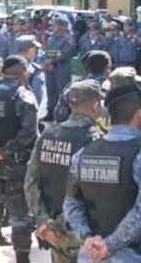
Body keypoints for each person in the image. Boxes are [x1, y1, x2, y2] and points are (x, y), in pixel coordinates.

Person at [25, 79, 104, 263]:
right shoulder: (95, 139)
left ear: (70, 104)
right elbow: (91, 190)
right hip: (82, 232)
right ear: (95, 106)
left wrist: (44, 220)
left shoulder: (48, 135)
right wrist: (58, 224)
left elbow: (30, 182)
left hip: (53, 233)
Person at [63, 83, 141, 263]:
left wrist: (88, 238)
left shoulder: (83, 154)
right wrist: (109, 245)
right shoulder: (137, 153)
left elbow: (71, 203)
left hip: (90, 255)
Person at [0, 56, 38, 263]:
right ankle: (22, 256)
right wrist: (5, 151)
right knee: (19, 212)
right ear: (23, 73)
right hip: (16, 164)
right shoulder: (24, 96)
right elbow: (29, 132)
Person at [53, 51, 111, 124]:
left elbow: (58, 114)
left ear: (87, 68)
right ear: (107, 68)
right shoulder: (113, 86)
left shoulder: (73, 86)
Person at [44, 18, 76, 121]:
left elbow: (67, 55)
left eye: (55, 25)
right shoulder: (50, 39)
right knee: (50, 90)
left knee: (61, 91)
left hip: (62, 67)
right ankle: (50, 112)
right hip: (50, 68)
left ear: (62, 27)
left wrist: (52, 61)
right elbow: (47, 52)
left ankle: (63, 113)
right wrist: (47, 62)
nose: (52, 27)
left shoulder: (67, 39)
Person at [16, 35, 48, 119]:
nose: (36, 52)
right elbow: (37, 98)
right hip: (26, 115)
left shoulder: (6, 66)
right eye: (35, 50)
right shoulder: (35, 70)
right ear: (31, 50)